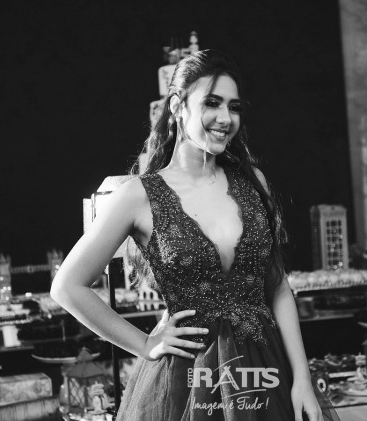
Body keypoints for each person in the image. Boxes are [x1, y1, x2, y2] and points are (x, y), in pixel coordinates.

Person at [50, 49, 340, 421]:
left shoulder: (253, 182)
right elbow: (67, 287)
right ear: (177, 106)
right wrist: (145, 344)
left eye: (234, 107)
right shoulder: (138, 195)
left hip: (267, 372)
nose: (226, 118)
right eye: (212, 103)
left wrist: (301, 377)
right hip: (186, 384)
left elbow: (278, 286)